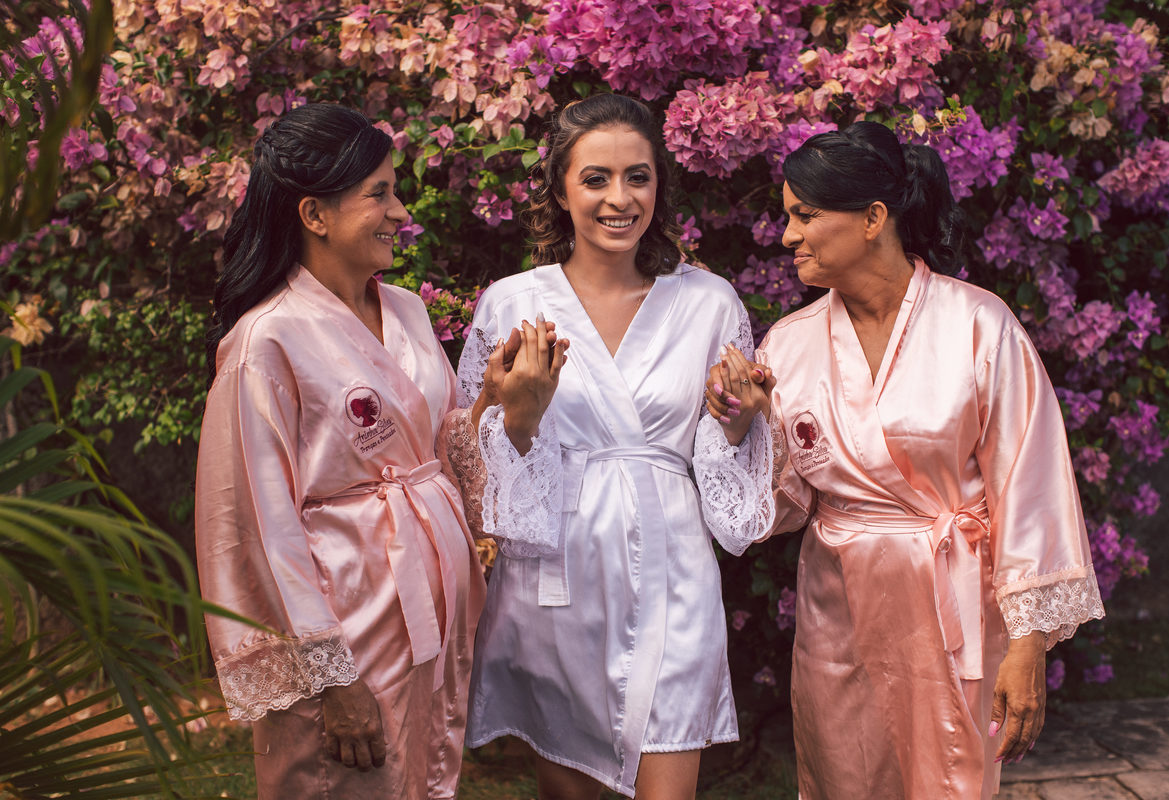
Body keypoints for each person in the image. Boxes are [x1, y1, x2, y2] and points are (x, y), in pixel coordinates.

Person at [705, 121, 1105, 800]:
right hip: (840, 611)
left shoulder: (979, 326)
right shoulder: (791, 345)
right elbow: (780, 507)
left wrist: (1027, 641)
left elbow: (1028, 486)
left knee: (949, 779)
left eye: (805, 215)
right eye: (787, 217)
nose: (787, 236)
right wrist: (744, 427)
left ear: (873, 218)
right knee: (842, 778)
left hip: (952, 605)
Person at [457, 93, 773, 799]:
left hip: (672, 567)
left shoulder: (709, 303)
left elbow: (725, 457)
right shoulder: (511, 304)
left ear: (660, 183)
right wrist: (520, 417)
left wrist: (739, 421)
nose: (619, 198)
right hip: (555, 571)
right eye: (596, 178)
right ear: (561, 190)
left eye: (638, 176)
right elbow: (468, 460)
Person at [194, 103, 492, 800]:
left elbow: (442, 445)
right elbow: (263, 526)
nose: (400, 211)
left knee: (419, 775)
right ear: (315, 215)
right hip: (344, 615)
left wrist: (511, 405)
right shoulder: (264, 342)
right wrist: (333, 677)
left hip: (424, 607)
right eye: (379, 194)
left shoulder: (409, 310)